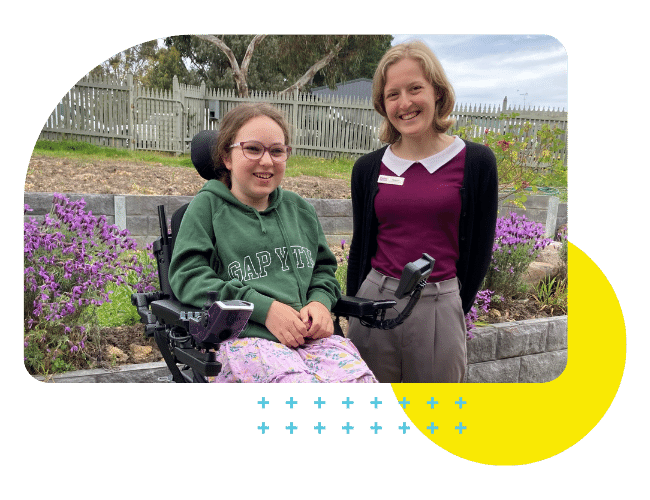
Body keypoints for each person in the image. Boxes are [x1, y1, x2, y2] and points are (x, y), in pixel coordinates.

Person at [169, 102, 377, 383]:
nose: (267, 161)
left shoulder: (300, 210)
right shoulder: (206, 208)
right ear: (227, 157)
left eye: (277, 151)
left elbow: (323, 271)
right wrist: (263, 309)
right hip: (245, 340)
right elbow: (189, 276)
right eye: (253, 149)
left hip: (309, 340)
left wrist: (319, 302)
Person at [346, 41, 498, 383]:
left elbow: (479, 251)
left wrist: (451, 306)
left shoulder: (476, 162)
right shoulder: (367, 169)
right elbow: (360, 246)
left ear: (437, 92)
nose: (405, 103)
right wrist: (353, 309)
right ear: (383, 104)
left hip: (439, 305)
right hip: (374, 303)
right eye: (393, 94)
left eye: (415, 88)